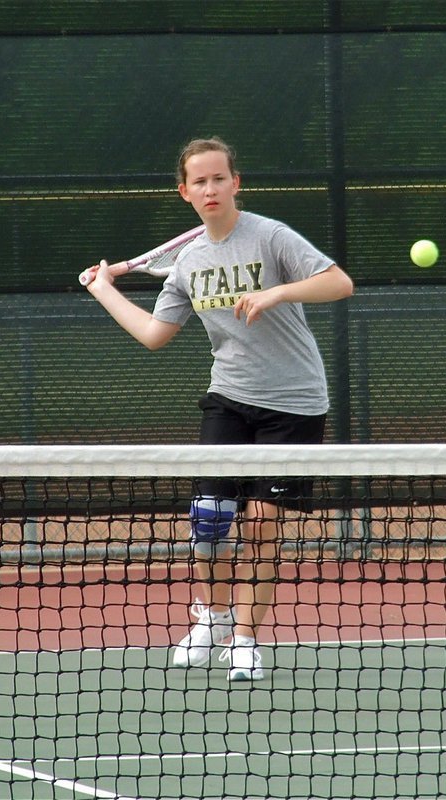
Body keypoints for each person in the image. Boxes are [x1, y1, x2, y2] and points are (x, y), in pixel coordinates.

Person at [83, 137, 353, 681]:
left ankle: (246, 640)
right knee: (208, 520)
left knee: (264, 524)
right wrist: (102, 289)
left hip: (294, 403)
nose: (210, 188)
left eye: (218, 178)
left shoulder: (271, 236)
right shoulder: (188, 262)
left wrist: (276, 294)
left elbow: (339, 282)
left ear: (236, 183)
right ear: (184, 192)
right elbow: (156, 335)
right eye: (199, 181)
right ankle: (212, 616)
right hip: (229, 397)